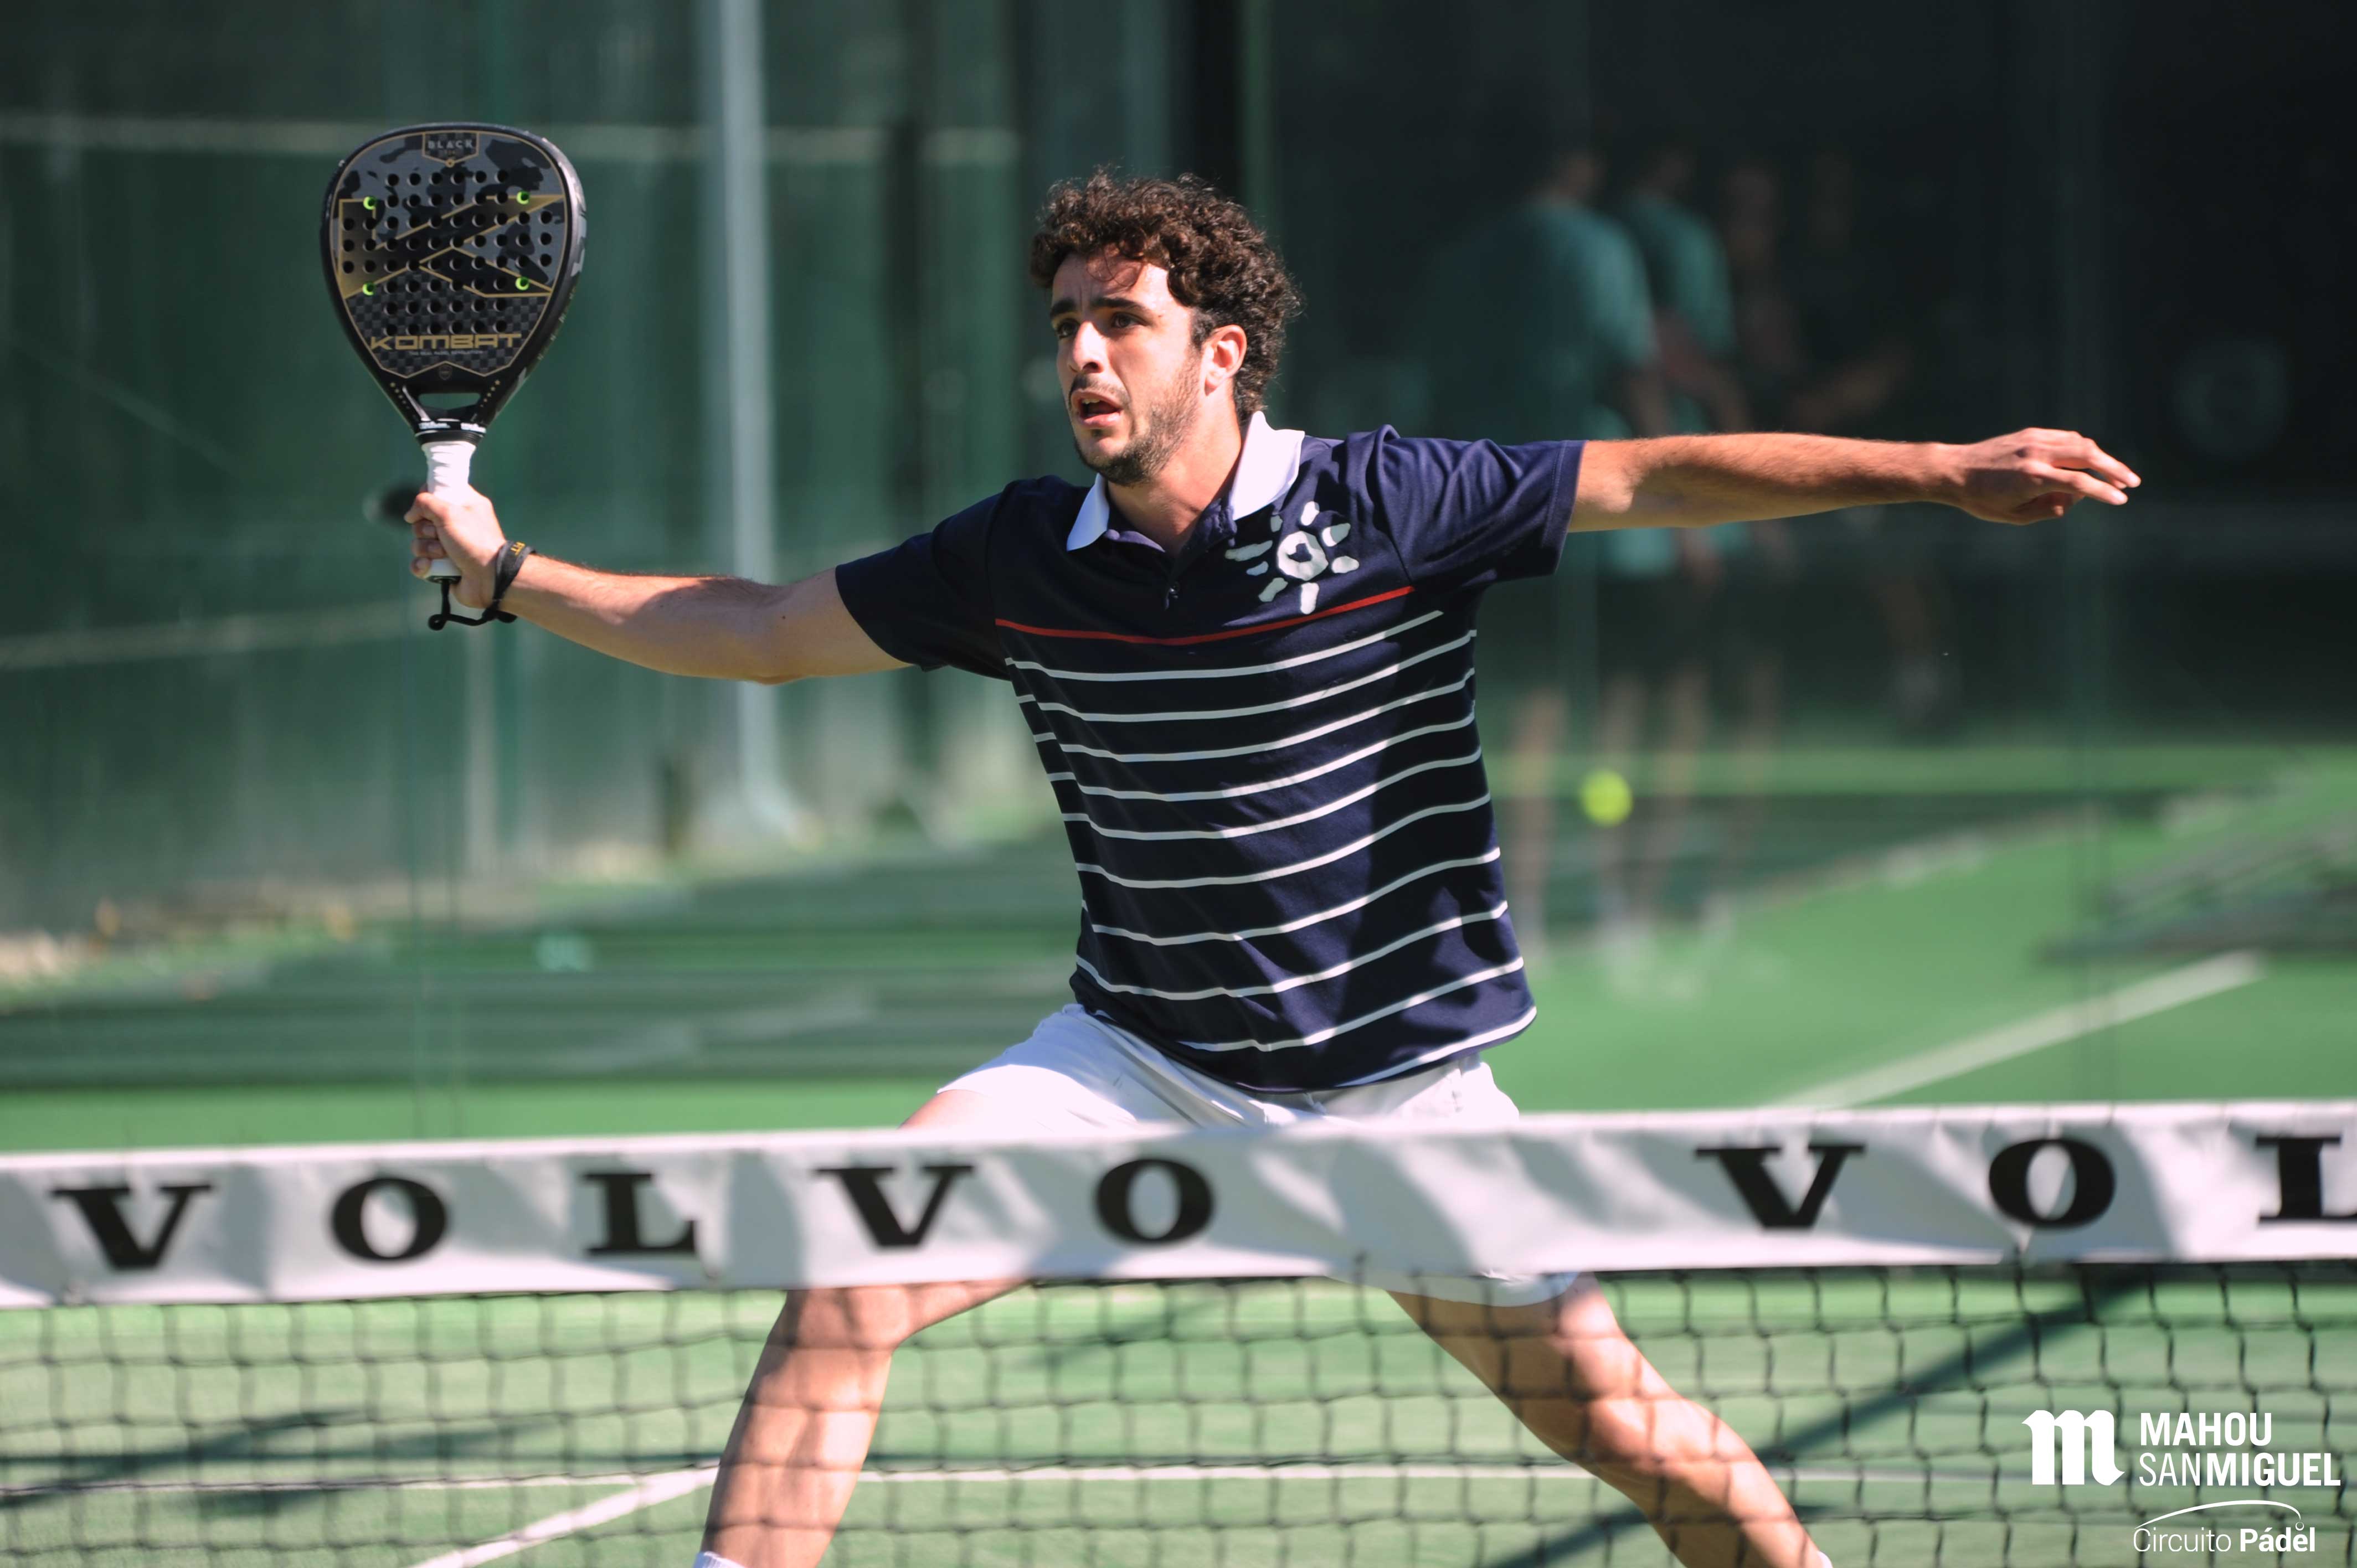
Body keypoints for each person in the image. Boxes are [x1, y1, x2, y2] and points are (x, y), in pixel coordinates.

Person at [407, 172, 2138, 1568]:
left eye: (1122, 321)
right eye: (1067, 324)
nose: (1085, 355)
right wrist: (508, 575)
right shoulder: (1019, 555)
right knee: (851, 1275)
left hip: (1400, 1091)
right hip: (1134, 1061)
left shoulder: (1390, 505)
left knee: (1630, 1431)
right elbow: (766, 631)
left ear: (1221, 351)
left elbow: (1656, 475)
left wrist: (1940, 473)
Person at [1416, 135, 1684, 954]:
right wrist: (1681, 500)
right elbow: (1630, 369)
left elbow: (1439, 385)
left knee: (1522, 721)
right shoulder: (1600, 248)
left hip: (1488, 514)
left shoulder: (1460, 261)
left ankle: (1518, 911)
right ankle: (1614, 905)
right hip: (1596, 516)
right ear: (1578, 162)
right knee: (1617, 715)